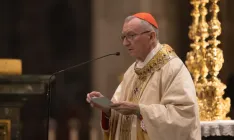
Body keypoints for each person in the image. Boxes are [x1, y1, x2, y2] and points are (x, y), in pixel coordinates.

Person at [86, 12, 201, 140]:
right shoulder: (132, 71)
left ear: (151, 36)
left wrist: (140, 111)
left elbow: (184, 118)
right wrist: (107, 108)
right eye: (123, 37)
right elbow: (120, 117)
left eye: (131, 36)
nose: (125, 43)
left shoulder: (173, 68)